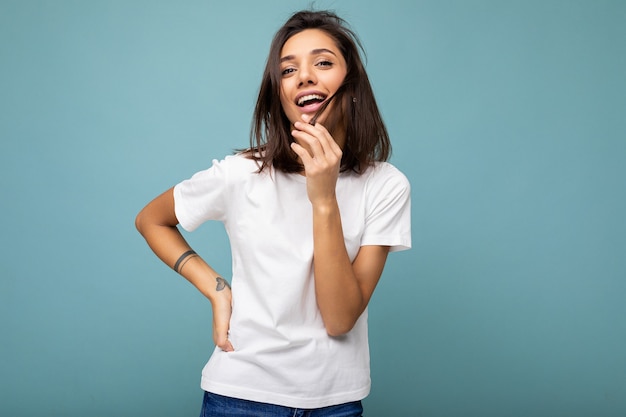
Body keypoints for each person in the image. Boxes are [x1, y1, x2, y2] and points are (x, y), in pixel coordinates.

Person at [136, 9, 411, 417]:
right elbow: (151, 219)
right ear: (279, 94)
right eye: (288, 70)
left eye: (322, 62)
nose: (304, 76)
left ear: (351, 86)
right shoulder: (242, 173)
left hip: (335, 402)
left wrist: (323, 199)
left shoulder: (386, 185)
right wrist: (215, 288)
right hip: (239, 397)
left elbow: (339, 319)